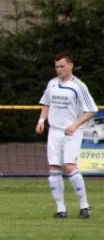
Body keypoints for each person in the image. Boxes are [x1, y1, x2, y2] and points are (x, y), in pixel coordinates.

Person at [36, 52, 97, 219]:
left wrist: (75, 124)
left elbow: (91, 110)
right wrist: (42, 120)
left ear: (71, 65)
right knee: (54, 168)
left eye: (62, 66)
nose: (59, 69)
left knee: (69, 166)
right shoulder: (52, 84)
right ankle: (61, 209)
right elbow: (46, 103)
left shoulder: (79, 86)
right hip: (54, 131)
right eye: (56, 67)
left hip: (72, 131)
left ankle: (84, 206)